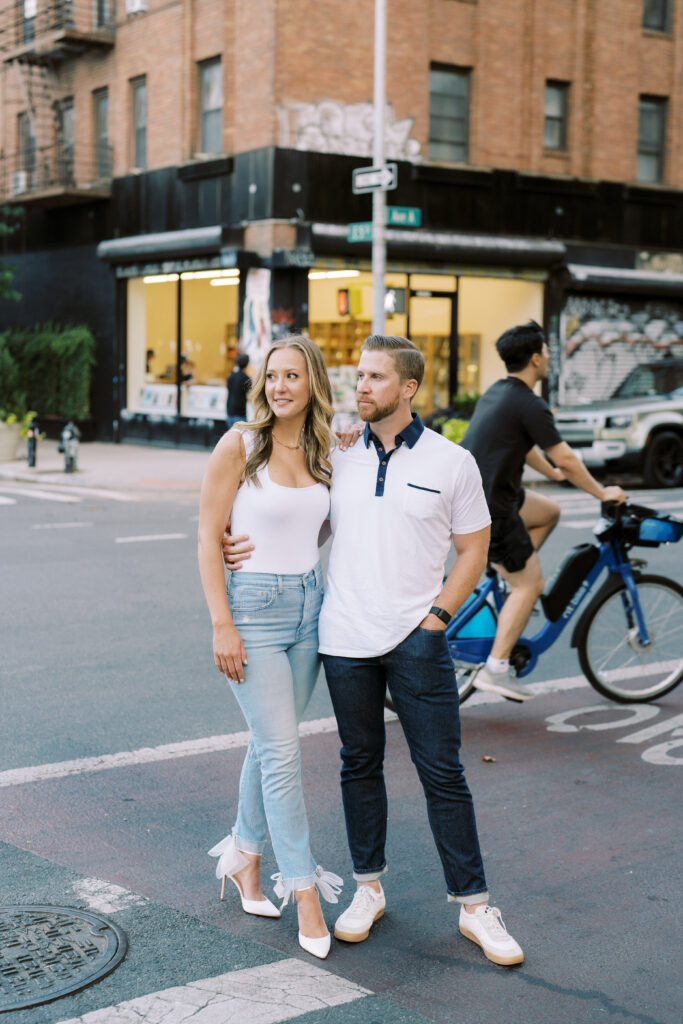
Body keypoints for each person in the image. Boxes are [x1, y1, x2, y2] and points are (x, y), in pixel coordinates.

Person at [225, 334, 525, 968]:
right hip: (342, 640)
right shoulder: (342, 456)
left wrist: (437, 618)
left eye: (375, 379)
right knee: (357, 765)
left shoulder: (452, 462)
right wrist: (238, 541)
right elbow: (301, 519)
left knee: (442, 773)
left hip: (418, 640)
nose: (360, 388)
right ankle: (367, 890)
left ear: (408, 388)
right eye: (357, 376)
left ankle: (475, 907)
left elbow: (474, 549)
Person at [198, 335, 343, 960]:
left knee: (269, 743)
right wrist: (221, 623)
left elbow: (330, 524)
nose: (280, 386)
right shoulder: (241, 443)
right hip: (252, 612)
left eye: (292, 376)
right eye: (272, 376)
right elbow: (207, 538)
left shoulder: (328, 449)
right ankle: (304, 890)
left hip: (312, 611)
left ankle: (244, 858)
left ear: (312, 383)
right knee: (284, 755)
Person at [460, 321, 626, 702]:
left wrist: (550, 473)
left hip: (487, 496)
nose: (550, 357)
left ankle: (509, 583)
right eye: (547, 352)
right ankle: (496, 668)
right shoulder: (530, 402)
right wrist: (602, 493)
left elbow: (527, 445)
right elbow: (567, 457)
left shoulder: (501, 393)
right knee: (531, 584)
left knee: (549, 511)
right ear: (535, 359)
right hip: (491, 507)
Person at [226, 352, 251, 429]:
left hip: (229, 411)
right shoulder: (246, 378)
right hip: (240, 413)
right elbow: (250, 396)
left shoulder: (231, 376)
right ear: (247, 364)